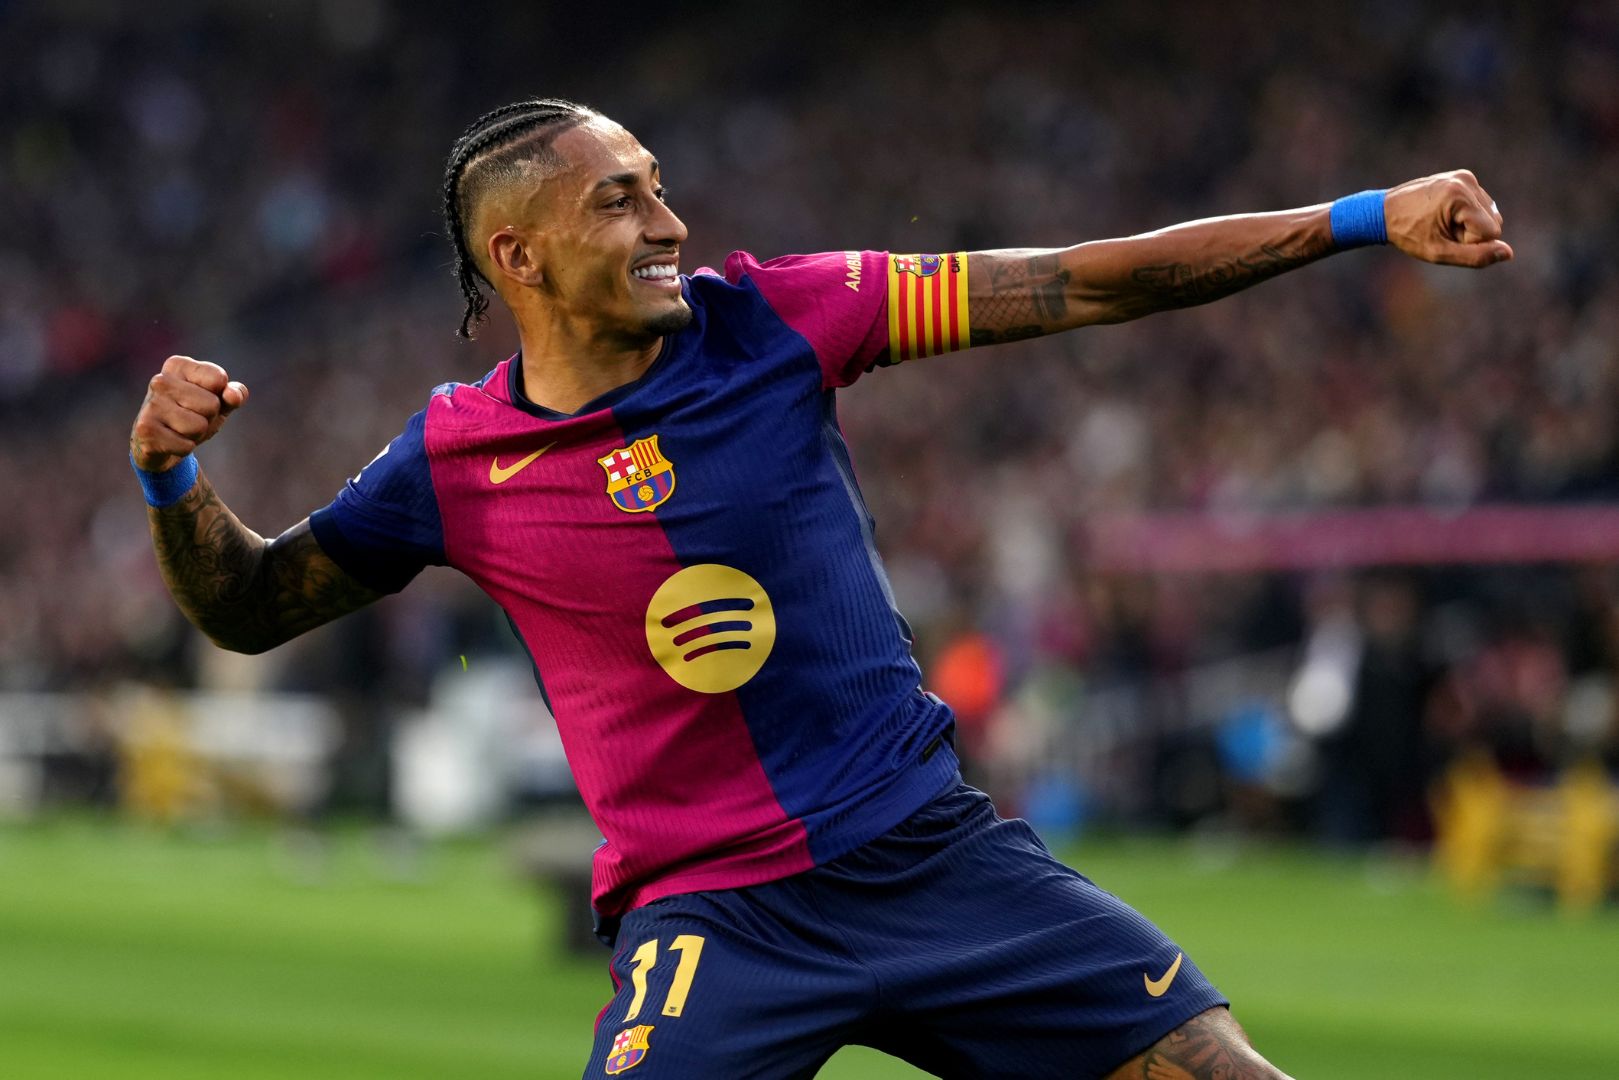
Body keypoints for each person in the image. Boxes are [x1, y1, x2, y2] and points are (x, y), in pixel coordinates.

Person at [129, 98, 1511, 1079]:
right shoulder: (452, 459)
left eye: (660, 183)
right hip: (714, 916)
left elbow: (1084, 287)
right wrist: (168, 478)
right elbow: (251, 606)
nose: (670, 221)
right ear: (519, 258)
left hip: (933, 859)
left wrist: (1361, 214)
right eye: (622, 199)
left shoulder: (782, 314)